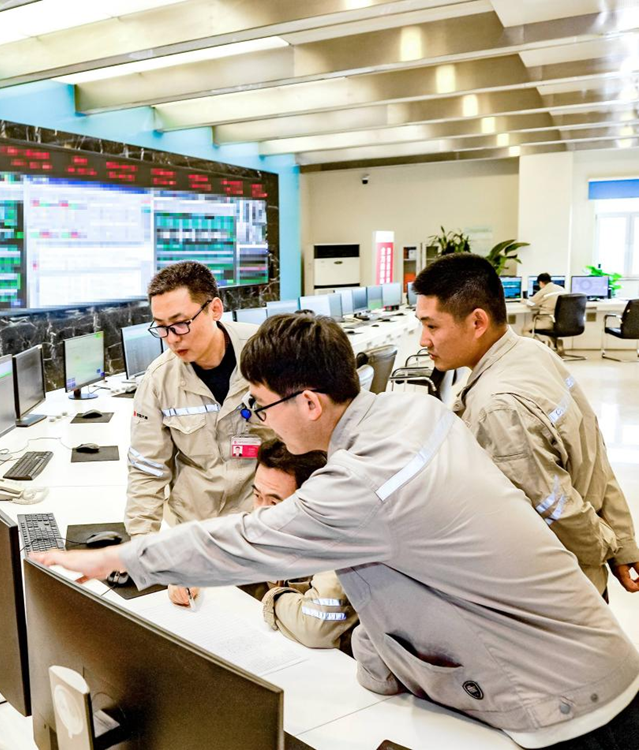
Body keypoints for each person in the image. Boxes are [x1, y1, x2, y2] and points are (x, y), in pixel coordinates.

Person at [35, 314, 639, 749]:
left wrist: (119, 557)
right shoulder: (412, 409)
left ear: (310, 403)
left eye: (260, 406)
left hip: (564, 706)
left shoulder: (362, 486)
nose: (258, 421)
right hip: (591, 655)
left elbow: (244, 542)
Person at [412, 253, 638, 597]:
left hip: (557, 591)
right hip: (583, 576)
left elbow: (558, 511)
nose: (423, 340)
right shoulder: (534, 352)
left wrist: (610, 547)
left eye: (432, 326)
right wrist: (622, 540)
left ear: (477, 322)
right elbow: (595, 454)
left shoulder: (499, 408)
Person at [125, 261, 270, 607]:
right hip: (195, 533)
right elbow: (146, 471)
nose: (172, 338)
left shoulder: (268, 354)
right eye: (161, 328)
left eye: (181, 324)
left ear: (215, 309)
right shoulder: (159, 380)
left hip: (262, 527)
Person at [253, 439, 357, 651]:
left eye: (274, 503)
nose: (260, 513)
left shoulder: (341, 542)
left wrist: (274, 598)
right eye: (256, 495)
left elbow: (315, 627)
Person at [524, 272, 567, 340]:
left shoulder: (543, 291)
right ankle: (557, 344)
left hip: (548, 322)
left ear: (540, 282)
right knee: (551, 332)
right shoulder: (562, 289)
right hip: (563, 322)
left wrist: (523, 301)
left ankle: (541, 344)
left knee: (525, 330)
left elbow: (530, 304)